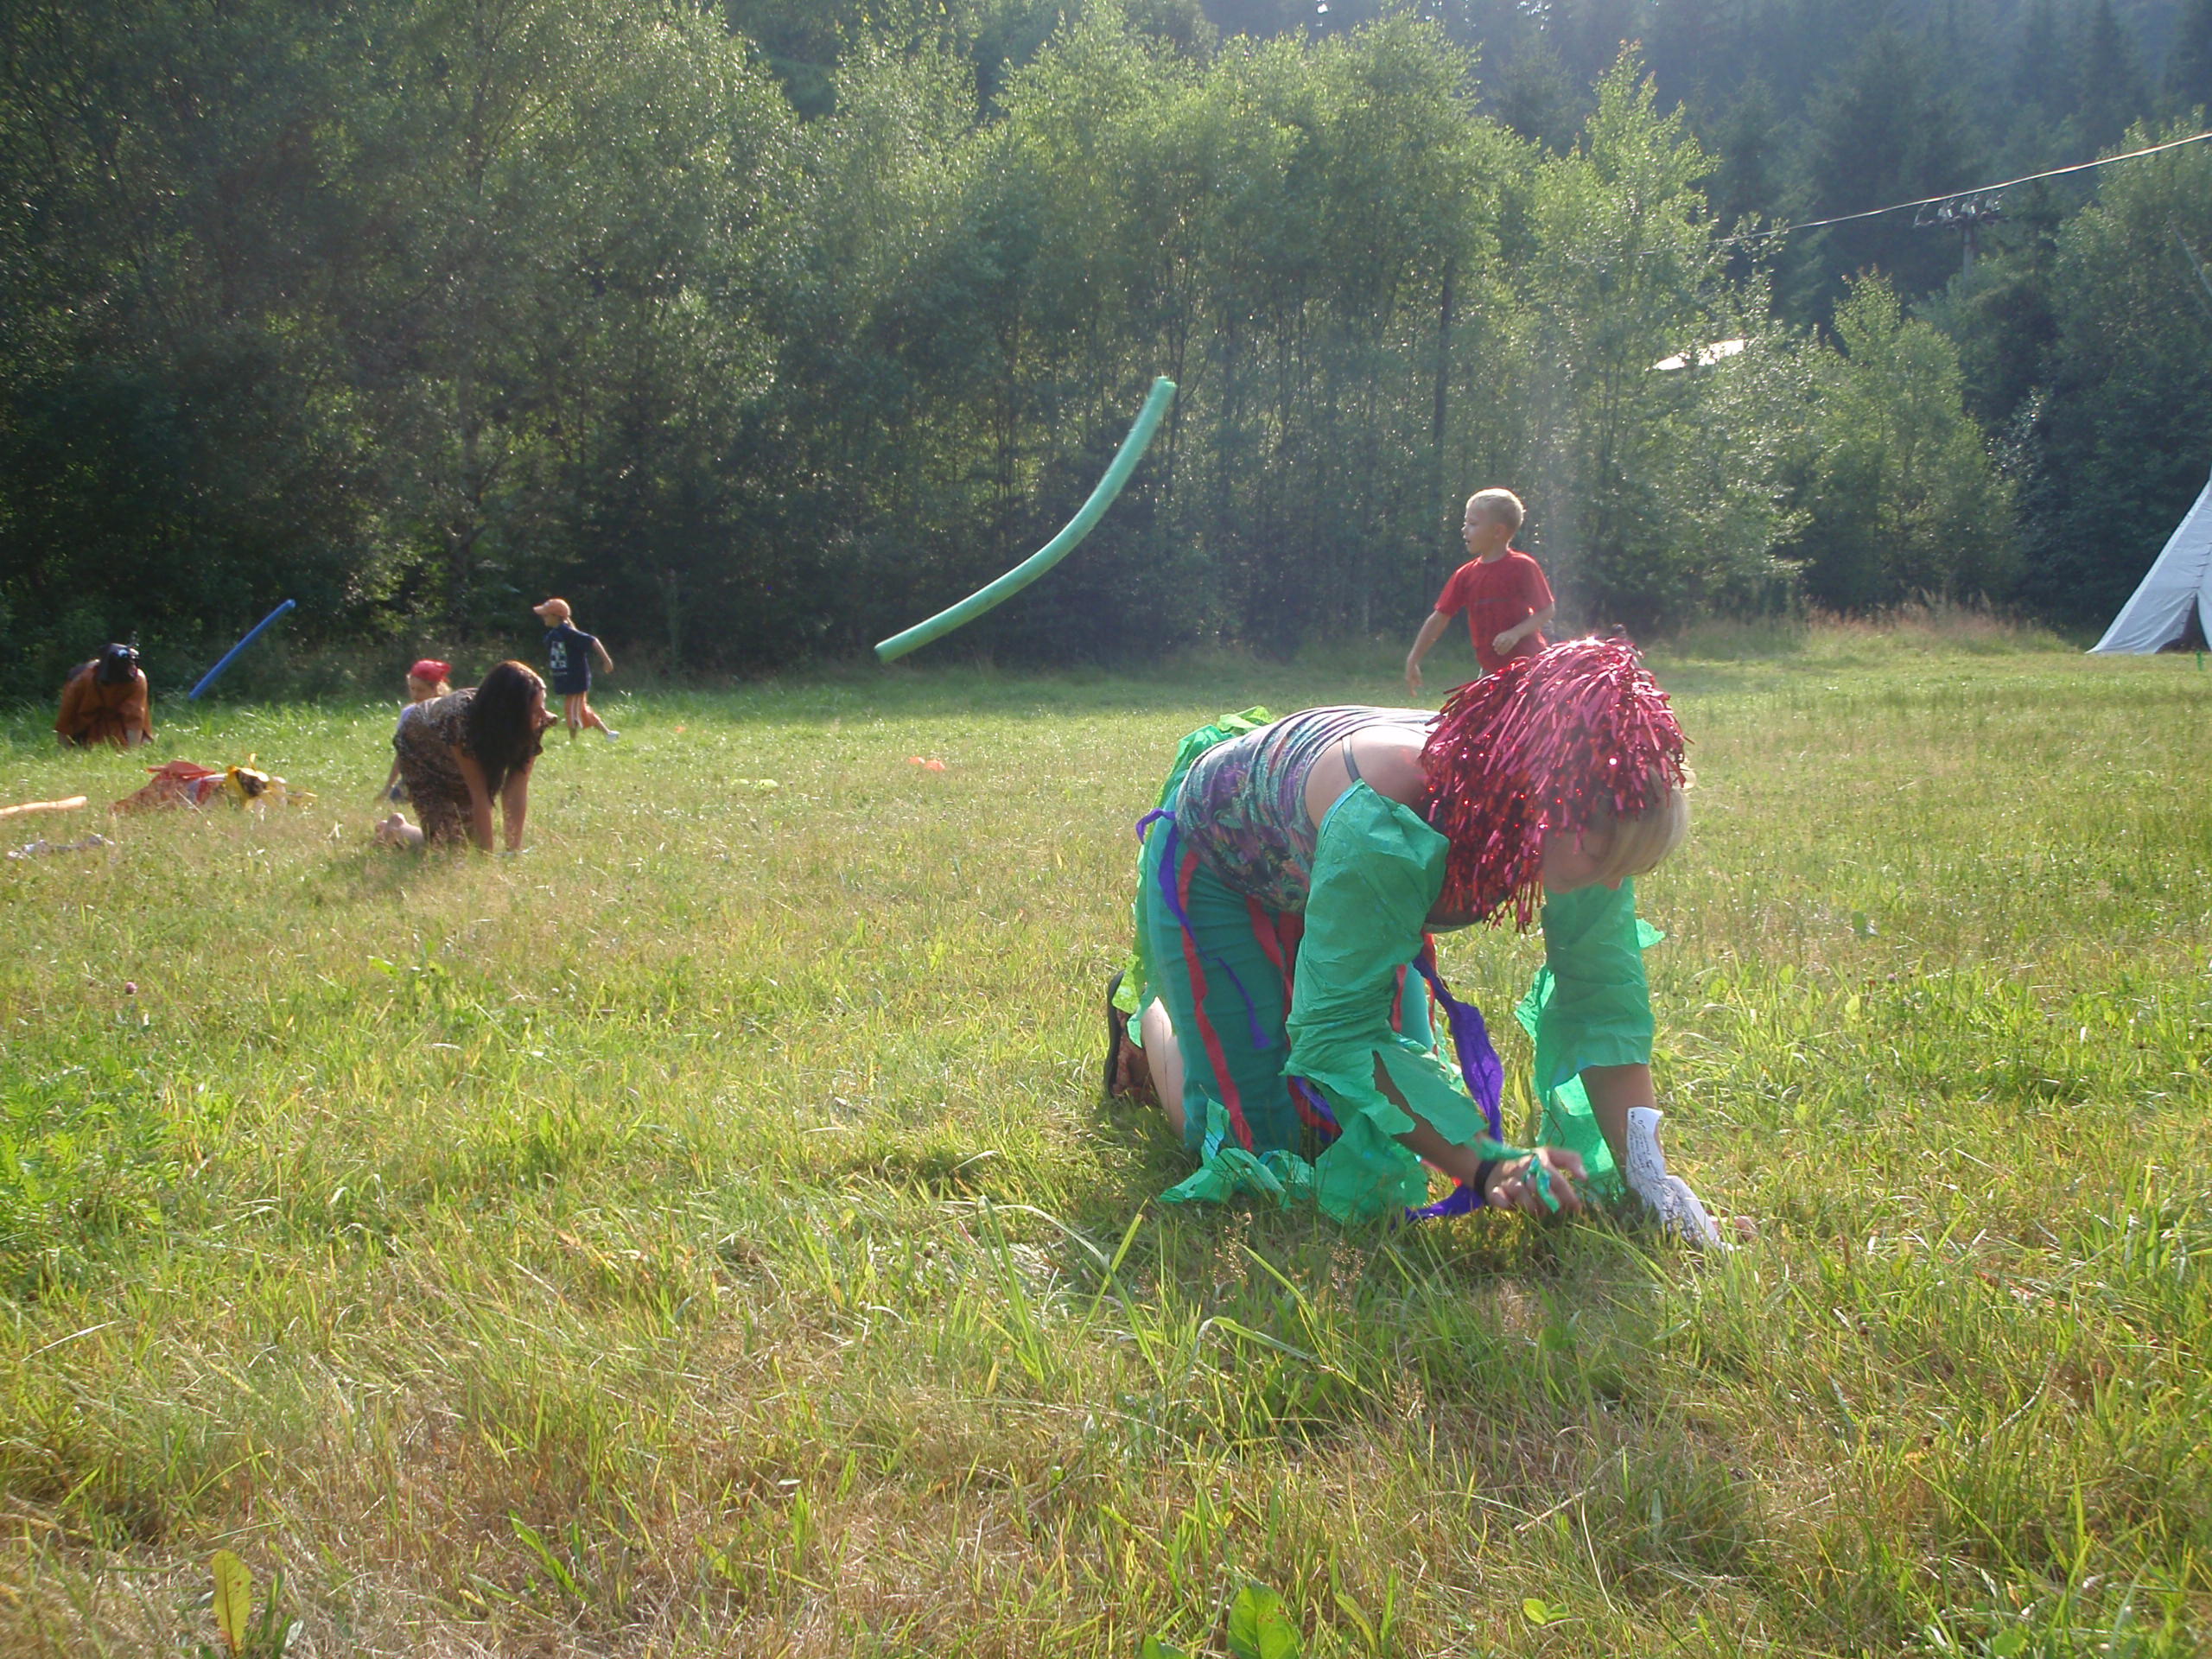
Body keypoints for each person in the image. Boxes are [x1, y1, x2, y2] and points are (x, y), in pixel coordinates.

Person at [1109, 637, 1722, 1242]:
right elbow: (1338, 1031)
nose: (1612, 880)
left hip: (1341, 874)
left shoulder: (1590, 828)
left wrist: (1652, 1185)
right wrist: (1488, 1165)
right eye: (1601, 854)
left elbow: (1602, 1003)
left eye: (1629, 862)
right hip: (1222, 862)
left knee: (1362, 1130)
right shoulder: (1389, 819)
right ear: (1538, 804)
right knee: (1256, 1148)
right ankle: (1150, 1021)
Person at [376, 662, 553, 853]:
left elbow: (516, 787)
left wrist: (513, 851)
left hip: (458, 751)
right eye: (534, 709)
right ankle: (398, 828)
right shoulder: (460, 718)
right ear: (511, 711)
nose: (543, 714)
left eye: (542, 705)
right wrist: (486, 857)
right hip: (423, 750)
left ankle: (398, 829)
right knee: (450, 846)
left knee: (468, 840)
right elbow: (479, 792)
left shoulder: (535, 720)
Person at [1403, 489, 1555, 696]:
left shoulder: (1522, 566)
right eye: (1465, 523)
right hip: (1490, 672)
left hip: (1529, 669)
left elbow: (1546, 611)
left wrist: (1515, 633)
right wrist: (1414, 658)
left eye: (1472, 524)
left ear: (1498, 531)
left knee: (1524, 716)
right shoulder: (1465, 575)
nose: (1464, 530)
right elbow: (1439, 618)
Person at [532, 597, 618, 741]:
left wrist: (607, 661)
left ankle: (572, 741)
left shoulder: (568, 633)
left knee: (570, 710)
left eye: (545, 615)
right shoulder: (555, 634)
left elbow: (593, 641)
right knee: (582, 710)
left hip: (577, 678)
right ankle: (609, 734)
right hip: (569, 679)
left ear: (556, 616)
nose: (543, 618)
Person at [379, 658, 454, 802]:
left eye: (421, 690)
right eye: (412, 689)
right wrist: (388, 786)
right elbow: (402, 753)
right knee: (396, 800)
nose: (415, 695)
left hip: (447, 777)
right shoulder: (408, 713)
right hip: (417, 776)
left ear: (436, 689)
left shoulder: (448, 714)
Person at [56, 645, 154, 748]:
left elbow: (135, 718)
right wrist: (65, 749)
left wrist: (133, 751)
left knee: (144, 743)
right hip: (87, 727)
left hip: (119, 725)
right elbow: (66, 718)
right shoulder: (81, 680)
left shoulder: (137, 679)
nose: (133, 668)